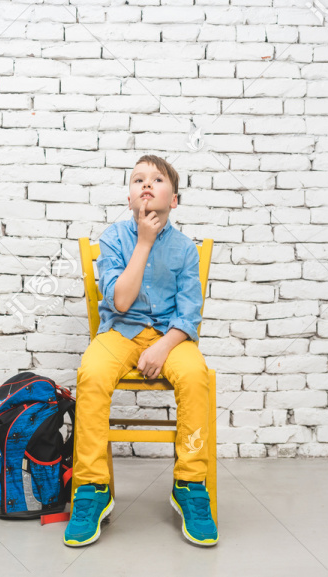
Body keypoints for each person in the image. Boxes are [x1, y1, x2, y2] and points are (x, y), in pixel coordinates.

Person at [63, 155, 217, 548]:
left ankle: (190, 483)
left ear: (175, 200)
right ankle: (93, 489)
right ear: (130, 197)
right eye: (138, 180)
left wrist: (164, 348)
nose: (146, 185)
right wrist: (145, 242)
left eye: (157, 179)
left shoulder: (185, 249)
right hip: (121, 331)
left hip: (171, 336)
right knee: (92, 374)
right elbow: (122, 301)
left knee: (197, 375)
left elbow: (189, 315)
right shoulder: (114, 240)